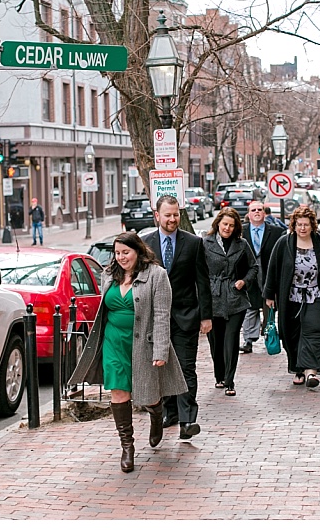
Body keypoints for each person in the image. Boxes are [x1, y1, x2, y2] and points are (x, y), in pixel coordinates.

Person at [68, 232, 187, 473]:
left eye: (126, 252)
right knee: (119, 392)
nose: (121, 258)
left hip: (143, 342)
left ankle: (156, 413)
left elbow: (162, 314)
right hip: (113, 342)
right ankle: (127, 447)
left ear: (138, 251)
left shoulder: (156, 275)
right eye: (118, 253)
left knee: (148, 395)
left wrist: (161, 349)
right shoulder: (109, 275)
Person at [139, 195, 210, 440]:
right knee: (160, 368)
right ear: (157, 216)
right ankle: (169, 413)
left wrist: (206, 316)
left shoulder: (193, 243)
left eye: (176, 214)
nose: (172, 219)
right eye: (167, 215)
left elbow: (203, 281)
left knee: (186, 368)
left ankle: (188, 420)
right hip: (155, 319)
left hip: (185, 316)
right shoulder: (145, 244)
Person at [265, 205, 320, 388]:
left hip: (317, 295)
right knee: (293, 333)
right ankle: (298, 368)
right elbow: (273, 269)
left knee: (316, 330)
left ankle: (312, 371)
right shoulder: (284, 244)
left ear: (312, 225)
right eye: (299, 225)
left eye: (306, 225)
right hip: (291, 298)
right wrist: (269, 294)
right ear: (294, 225)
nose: (302, 228)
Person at [201, 208, 260, 396]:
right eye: (225, 224)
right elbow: (199, 271)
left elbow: (253, 267)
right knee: (216, 341)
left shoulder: (241, 244)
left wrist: (244, 281)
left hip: (235, 298)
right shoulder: (205, 243)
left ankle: (230, 380)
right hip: (213, 297)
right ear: (218, 223)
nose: (227, 228)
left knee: (231, 339)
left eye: (231, 225)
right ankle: (219, 375)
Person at [240, 200, 285, 352]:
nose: (257, 212)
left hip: (268, 275)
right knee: (250, 308)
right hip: (249, 276)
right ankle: (248, 340)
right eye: (253, 210)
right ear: (249, 214)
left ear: (264, 213)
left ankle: (269, 335)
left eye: (260, 209)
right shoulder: (241, 231)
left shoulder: (276, 232)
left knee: (269, 308)